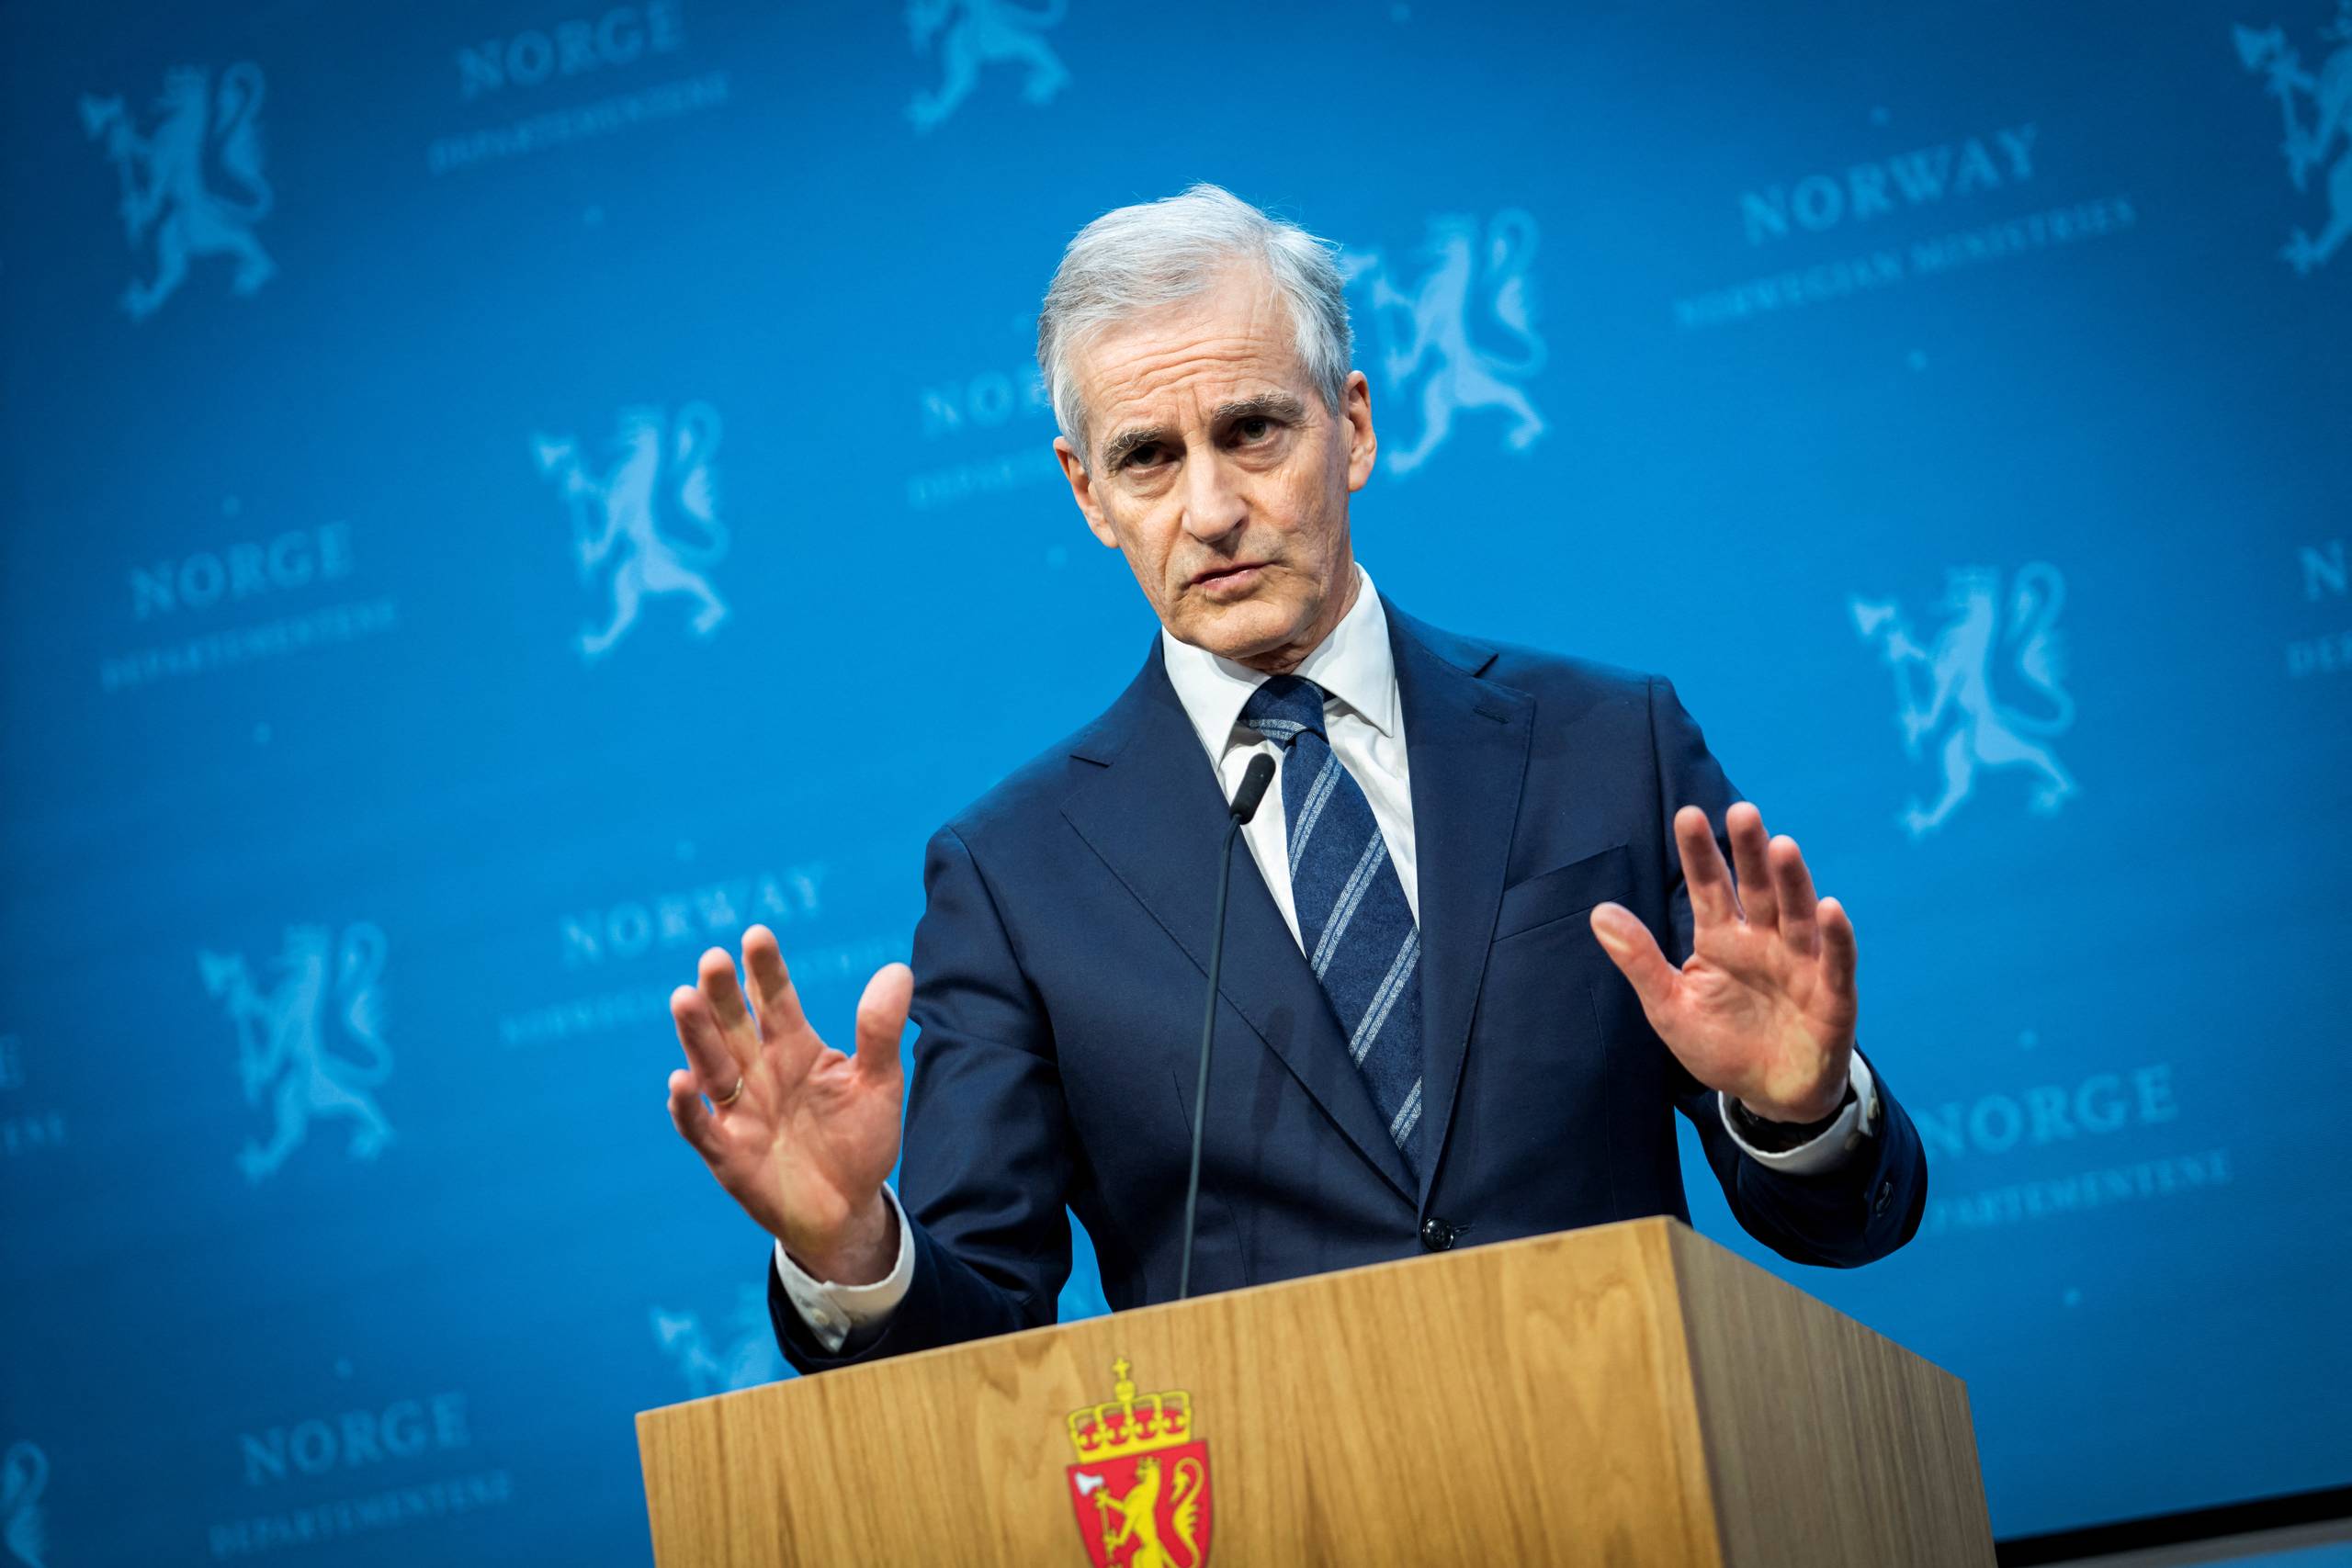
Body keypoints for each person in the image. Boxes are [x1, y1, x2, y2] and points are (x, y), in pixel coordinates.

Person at [662, 184, 1928, 1371]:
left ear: (1353, 427)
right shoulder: (1013, 879)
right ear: (1088, 495)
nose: (1211, 508)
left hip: (1632, 1450)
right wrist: (853, 1249)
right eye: (1149, 458)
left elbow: (1837, 1221)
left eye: (1252, 430)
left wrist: (1800, 1112)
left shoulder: (1606, 742)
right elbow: (982, 1349)